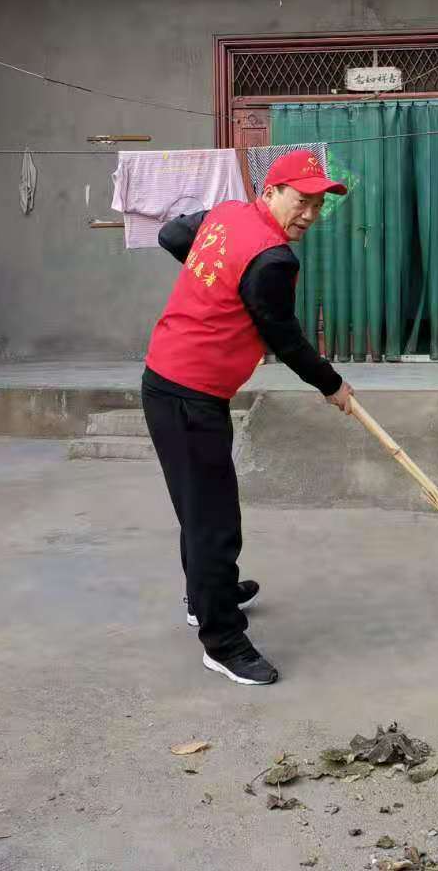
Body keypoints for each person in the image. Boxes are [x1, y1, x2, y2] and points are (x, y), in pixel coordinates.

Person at [142, 149, 354, 685]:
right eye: (301, 200)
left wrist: (215, 287)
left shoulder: (227, 214)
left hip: (168, 379)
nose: (309, 213)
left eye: (319, 204)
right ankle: (221, 639)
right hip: (189, 393)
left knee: (198, 504)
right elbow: (285, 338)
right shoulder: (274, 260)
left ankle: (204, 593)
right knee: (214, 520)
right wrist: (332, 385)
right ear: (273, 191)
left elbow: (171, 235)